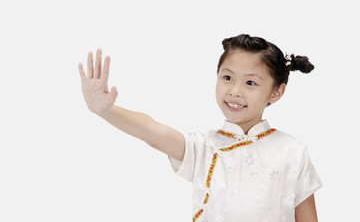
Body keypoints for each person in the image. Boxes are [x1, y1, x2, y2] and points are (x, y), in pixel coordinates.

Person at [78, 34, 322, 222]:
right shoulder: (204, 147)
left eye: (250, 82)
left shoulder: (293, 151)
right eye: (227, 78)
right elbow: (154, 132)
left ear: (276, 91)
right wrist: (106, 111)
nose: (235, 90)